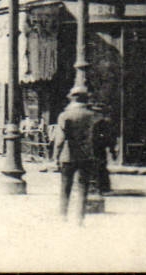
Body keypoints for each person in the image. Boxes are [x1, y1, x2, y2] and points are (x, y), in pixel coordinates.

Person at [52, 86, 99, 223]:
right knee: (83, 187)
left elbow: (60, 139)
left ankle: (63, 215)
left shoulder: (65, 115)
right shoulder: (92, 115)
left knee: (65, 186)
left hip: (68, 155)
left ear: (72, 97)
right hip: (86, 155)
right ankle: (80, 217)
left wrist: (56, 156)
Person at [90, 102, 117, 195]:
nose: (96, 114)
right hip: (91, 148)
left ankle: (102, 187)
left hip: (99, 148)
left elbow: (110, 138)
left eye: (98, 112)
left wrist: (112, 150)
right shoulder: (90, 121)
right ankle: (95, 187)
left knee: (100, 167)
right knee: (94, 167)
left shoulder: (104, 123)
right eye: (95, 111)